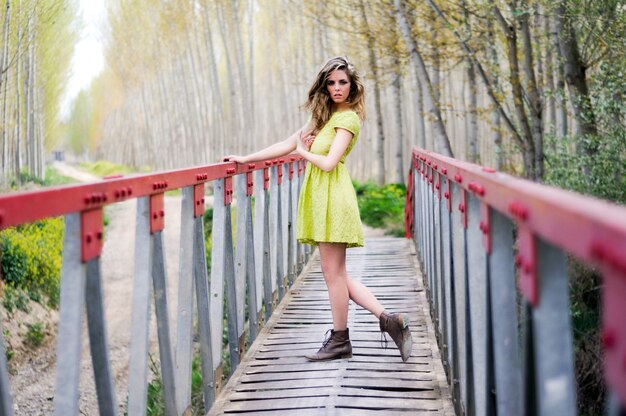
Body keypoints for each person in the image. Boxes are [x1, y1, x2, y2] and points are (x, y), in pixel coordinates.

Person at [224, 56, 412, 362]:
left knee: (333, 274)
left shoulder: (348, 119)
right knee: (336, 274)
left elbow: (328, 162)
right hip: (322, 196)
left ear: (352, 87)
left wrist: (304, 152)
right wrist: (246, 159)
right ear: (324, 86)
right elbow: (287, 143)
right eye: (332, 82)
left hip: (334, 197)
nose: (337, 88)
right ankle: (388, 321)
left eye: (343, 82)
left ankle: (341, 340)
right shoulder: (323, 116)